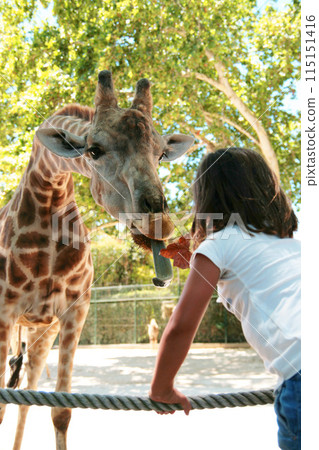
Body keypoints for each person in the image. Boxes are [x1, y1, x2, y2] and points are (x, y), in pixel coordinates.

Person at [149, 148, 301, 450]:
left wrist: (162, 388)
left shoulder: (218, 244)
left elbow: (180, 327)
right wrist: (198, 257)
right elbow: (249, 272)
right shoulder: (291, 245)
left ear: (207, 198)